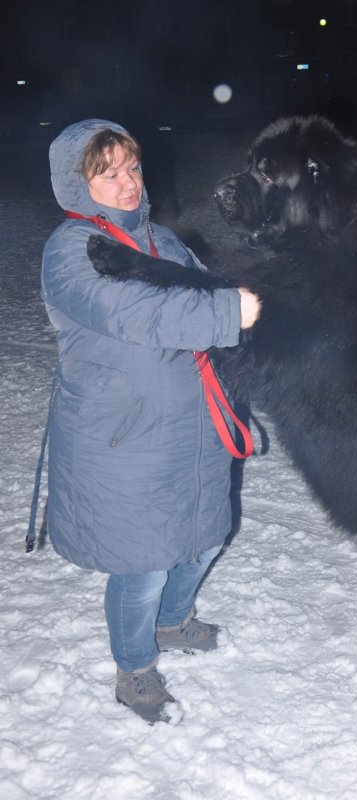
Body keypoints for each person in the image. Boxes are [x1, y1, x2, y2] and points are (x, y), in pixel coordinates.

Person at [41, 119, 260, 724]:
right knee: (143, 562)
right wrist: (229, 311)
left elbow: (205, 291)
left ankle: (172, 623)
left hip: (193, 422)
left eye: (132, 167)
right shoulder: (71, 249)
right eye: (108, 173)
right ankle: (134, 669)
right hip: (124, 432)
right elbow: (139, 312)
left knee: (205, 533)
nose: (127, 182)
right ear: (78, 185)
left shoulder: (162, 239)